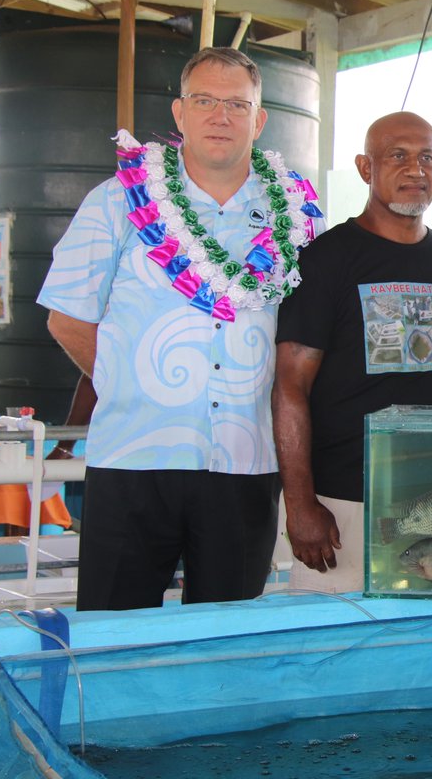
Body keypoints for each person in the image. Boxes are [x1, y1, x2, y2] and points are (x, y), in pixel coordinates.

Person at [37, 47, 324, 610]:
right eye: (205, 101)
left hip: (246, 460)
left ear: (259, 119)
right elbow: (67, 317)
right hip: (133, 459)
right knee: (114, 632)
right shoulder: (118, 201)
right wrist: (131, 382)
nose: (221, 116)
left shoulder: (300, 215)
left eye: (237, 104)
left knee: (226, 634)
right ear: (179, 113)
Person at [273, 111, 432, 594]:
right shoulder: (325, 259)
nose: (415, 169)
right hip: (346, 503)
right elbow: (290, 385)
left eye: (427, 159)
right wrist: (300, 503)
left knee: (431, 652)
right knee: (333, 647)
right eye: (398, 156)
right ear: (365, 168)